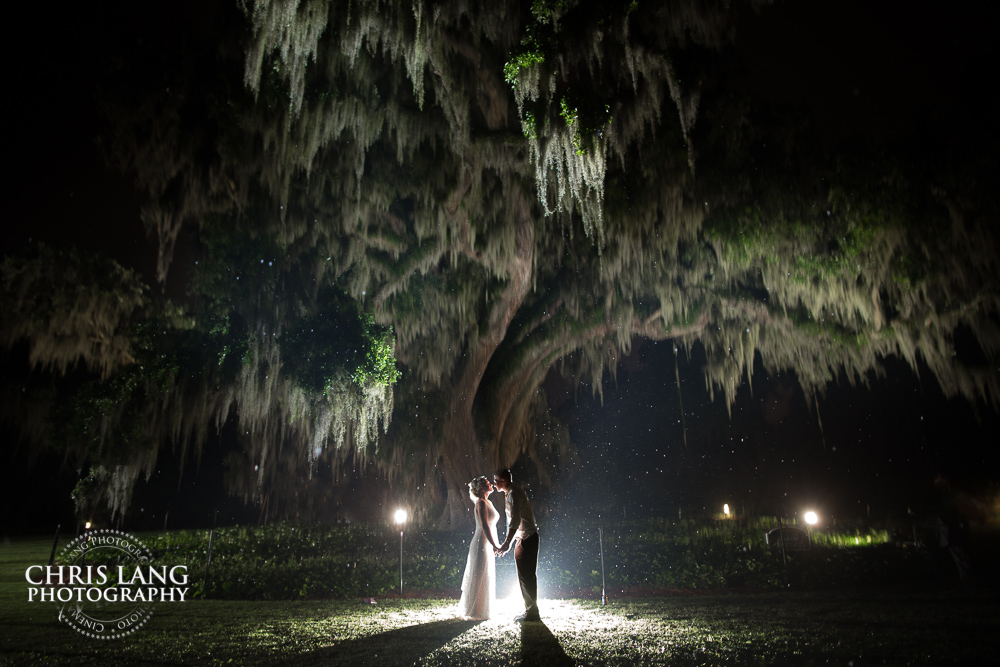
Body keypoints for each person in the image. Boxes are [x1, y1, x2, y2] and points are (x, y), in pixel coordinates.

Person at [494, 468, 540, 622]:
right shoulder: (511, 493)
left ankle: (531, 611)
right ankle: (531, 610)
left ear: (504, 481)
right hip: (524, 537)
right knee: (525, 575)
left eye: (496, 480)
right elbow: (514, 523)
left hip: (527, 537)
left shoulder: (513, 494)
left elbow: (515, 521)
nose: (494, 484)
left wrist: (507, 543)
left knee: (526, 576)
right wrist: (510, 542)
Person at [457, 475, 500, 620]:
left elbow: (492, 526)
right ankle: (474, 609)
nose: (491, 484)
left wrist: (495, 543)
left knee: (485, 574)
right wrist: (495, 545)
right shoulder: (481, 503)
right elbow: (485, 526)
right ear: (481, 487)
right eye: (488, 482)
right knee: (479, 574)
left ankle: (483, 608)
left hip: (487, 542)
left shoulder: (488, 502)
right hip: (481, 543)